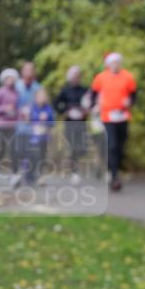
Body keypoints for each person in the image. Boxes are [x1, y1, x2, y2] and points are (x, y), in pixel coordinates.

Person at [90, 52, 137, 191]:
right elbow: (93, 94)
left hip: (123, 115)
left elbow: (134, 95)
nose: (115, 65)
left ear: (120, 63)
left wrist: (130, 101)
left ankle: (113, 169)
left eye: (117, 62)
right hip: (107, 116)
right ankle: (114, 176)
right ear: (108, 64)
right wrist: (95, 105)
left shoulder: (128, 77)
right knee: (112, 145)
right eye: (112, 62)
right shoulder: (101, 77)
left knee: (120, 145)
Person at [54, 65, 92, 185]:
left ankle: (74, 166)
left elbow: (90, 103)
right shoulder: (65, 90)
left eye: (78, 76)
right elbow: (56, 103)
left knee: (82, 148)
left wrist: (86, 111)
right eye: (74, 76)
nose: (76, 78)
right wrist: (64, 111)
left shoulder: (85, 90)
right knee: (73, 146)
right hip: (70, 123)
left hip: (82, 123)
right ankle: (74, 172)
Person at [0, 68, 20, 185]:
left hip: (13, 125)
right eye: (8, 78)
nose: (10, 80)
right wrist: (4, 109)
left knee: (14, 150)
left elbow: (17, 109)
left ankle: (15, 175)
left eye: (12, 78)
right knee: (1, 150)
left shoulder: (16, 93)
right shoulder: (0, 91)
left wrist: (16, 114)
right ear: (4, 80)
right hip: (1, 125)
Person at [13, 61, 43, 177]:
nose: (29, 72)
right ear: (22, 72)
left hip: (34, 125)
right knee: (20, 150)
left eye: (31, 70)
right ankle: (18, 173)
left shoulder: (38, 87)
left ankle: (30, 175)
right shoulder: (16, 86)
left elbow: (43, 104)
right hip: (18, 125)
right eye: (26, 70)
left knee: (33, 151)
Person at [21, 87, 55, 185]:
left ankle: (39, 176)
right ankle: (28, 176)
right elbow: (27, 122)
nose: (42, 97)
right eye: (40, 96)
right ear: (36, 97)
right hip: (33, 137)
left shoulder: (48, 109)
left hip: (44, 137)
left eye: (44, 95)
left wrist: (46, 121)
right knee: (32, 156)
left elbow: (53, 123)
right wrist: (29, 117)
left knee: (42, 157)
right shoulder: (32, 108)